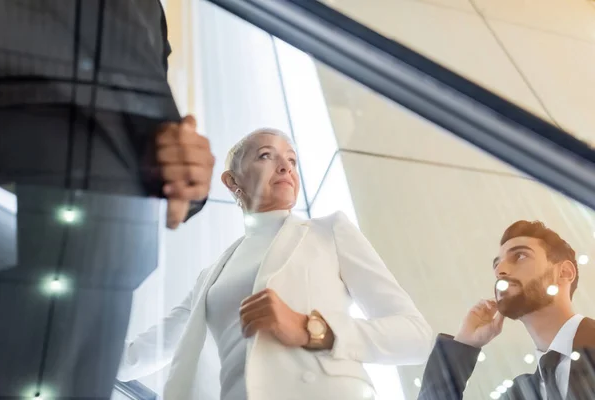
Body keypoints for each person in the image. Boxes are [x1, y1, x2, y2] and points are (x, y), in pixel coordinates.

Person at [0, 1, 214, 399]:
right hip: (16, 208)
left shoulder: (151, 10)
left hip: (103, 265)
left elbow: (152, 126)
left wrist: (184, 169)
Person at [118, 128, 433, 400]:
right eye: (266, 155)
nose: (285, 167)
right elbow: (138, 355)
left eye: (292, 160)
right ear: (231, 181)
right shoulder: (210, 277)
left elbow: (415, 336)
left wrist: (311, 328)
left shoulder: (329, 231)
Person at [418, 221, 595, 400]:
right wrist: (464, 344)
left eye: (520, 256)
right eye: (496, 265)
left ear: (564, 272)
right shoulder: (519, 394)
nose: (500, 271)